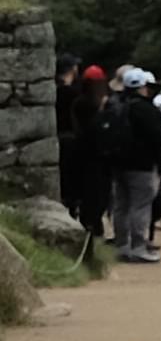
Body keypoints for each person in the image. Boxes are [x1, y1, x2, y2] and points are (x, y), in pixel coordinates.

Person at [100, 60, 161, 262]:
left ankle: (122, 244)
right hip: (142, 165)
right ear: (143, 87)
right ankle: (139, 245)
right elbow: (157, 140)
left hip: (118, 163)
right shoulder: (148, 111)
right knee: (140, 205)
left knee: (121, 204)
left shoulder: (116, 107)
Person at [52, 57, 108, 257]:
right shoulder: (83, 102)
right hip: (86, 153)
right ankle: (90, 237)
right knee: (92, 197)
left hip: (67, 148)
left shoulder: (67, 96)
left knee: (72, 192)